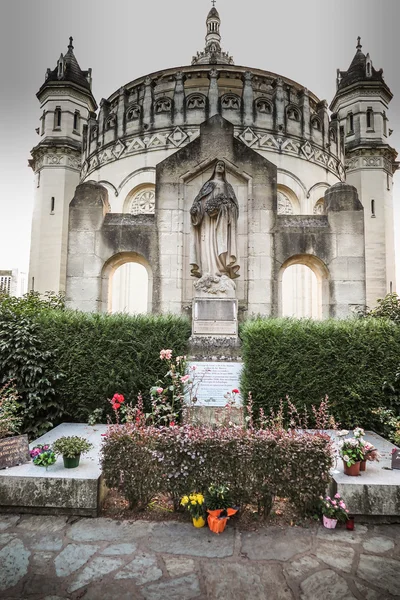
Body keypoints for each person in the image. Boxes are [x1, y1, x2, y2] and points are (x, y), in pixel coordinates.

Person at [190, 160, 240, 280]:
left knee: (221, 244)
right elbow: (199, 202)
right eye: (218, 165)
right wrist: (196, 210)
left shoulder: (228, 187)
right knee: (208, 243)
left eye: (222, 166)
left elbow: (235, 207)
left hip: (222, 220)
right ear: (214, 168)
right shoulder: (208, 185)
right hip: (207, 221)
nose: (220, 167)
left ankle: (222, 271)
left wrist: (225, 207)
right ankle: (208, 271)